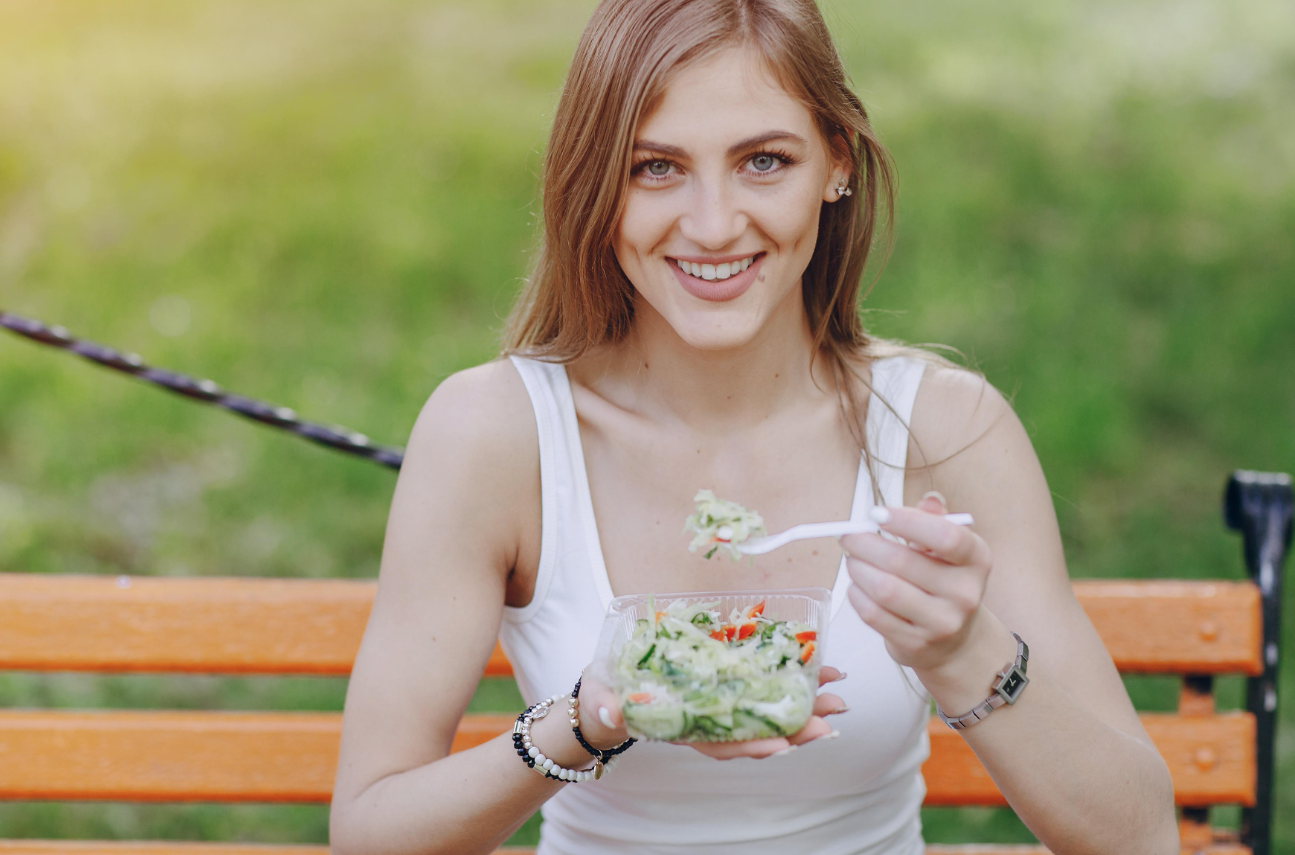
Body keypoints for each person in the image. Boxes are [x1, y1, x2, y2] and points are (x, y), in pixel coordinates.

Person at [328, 1, 1178, 853]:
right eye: (655, 168)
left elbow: (1138, 837)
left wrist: (963, 650)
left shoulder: (942, 429)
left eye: (763, 162)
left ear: (834, 166)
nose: (712, 225)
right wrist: (588, 720)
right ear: (597, 183)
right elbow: (370, 831)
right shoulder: (493, 431)